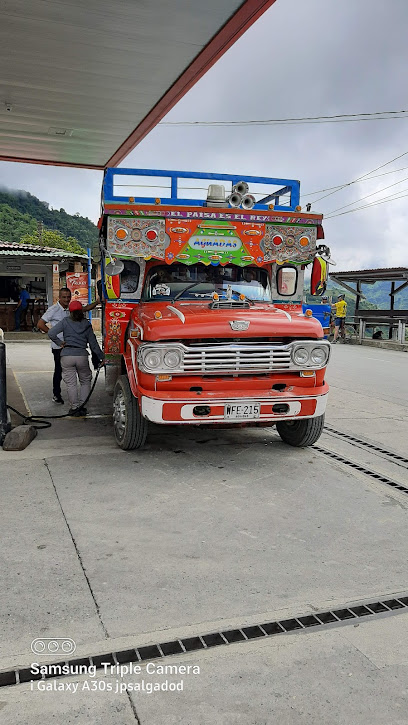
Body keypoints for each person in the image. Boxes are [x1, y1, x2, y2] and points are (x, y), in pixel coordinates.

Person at [37, 287, 99, 404]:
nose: (66, 299)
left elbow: (85, 308)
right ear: (59, 298)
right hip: (59, 347)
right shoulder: (53, 310)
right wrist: (57, 340)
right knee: (59, 372)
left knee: (73, 376)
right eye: (64, 297)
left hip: (72, 347)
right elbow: (40, 324)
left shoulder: (72, 309)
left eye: (68, 297)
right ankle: (57, 394)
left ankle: (75, 404)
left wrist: (97, 302)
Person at [47, 300, 104, 416]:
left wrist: (60, 343)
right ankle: (82, 407)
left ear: (70, 312)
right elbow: (93, 344)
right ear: (81, 311)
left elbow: (51, 333)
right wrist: (102, 357)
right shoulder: (86, 324)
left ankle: (74, 408)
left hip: (67, 356)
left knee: (71, 384)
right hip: (82, 355)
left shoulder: (65, 322)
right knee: (85, 381)